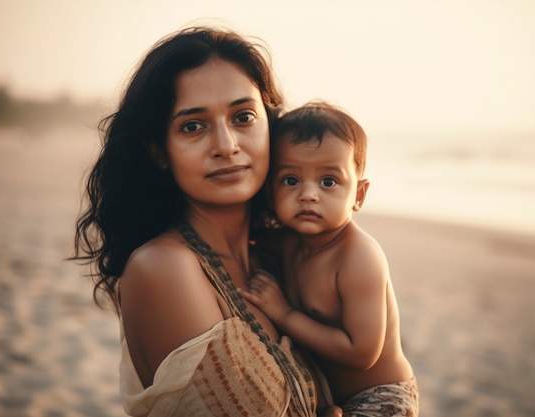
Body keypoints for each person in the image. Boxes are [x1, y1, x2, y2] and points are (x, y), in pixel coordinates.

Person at [73, 27, 341, 417]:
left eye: (243, 116)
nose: (226, 145)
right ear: (159, 151)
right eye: (193, 126)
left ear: (271, 125)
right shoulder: (164, 268)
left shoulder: (277, 258)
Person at [240, 102, 419, 417]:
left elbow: (362, 352)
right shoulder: (287, 243)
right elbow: (237, 240)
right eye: (291, 180)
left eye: (328, 181)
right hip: (329, 395)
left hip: (382, 397)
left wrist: (283, 313)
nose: (308, 194)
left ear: (359, 196)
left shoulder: (359, 257)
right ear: (271, 192)